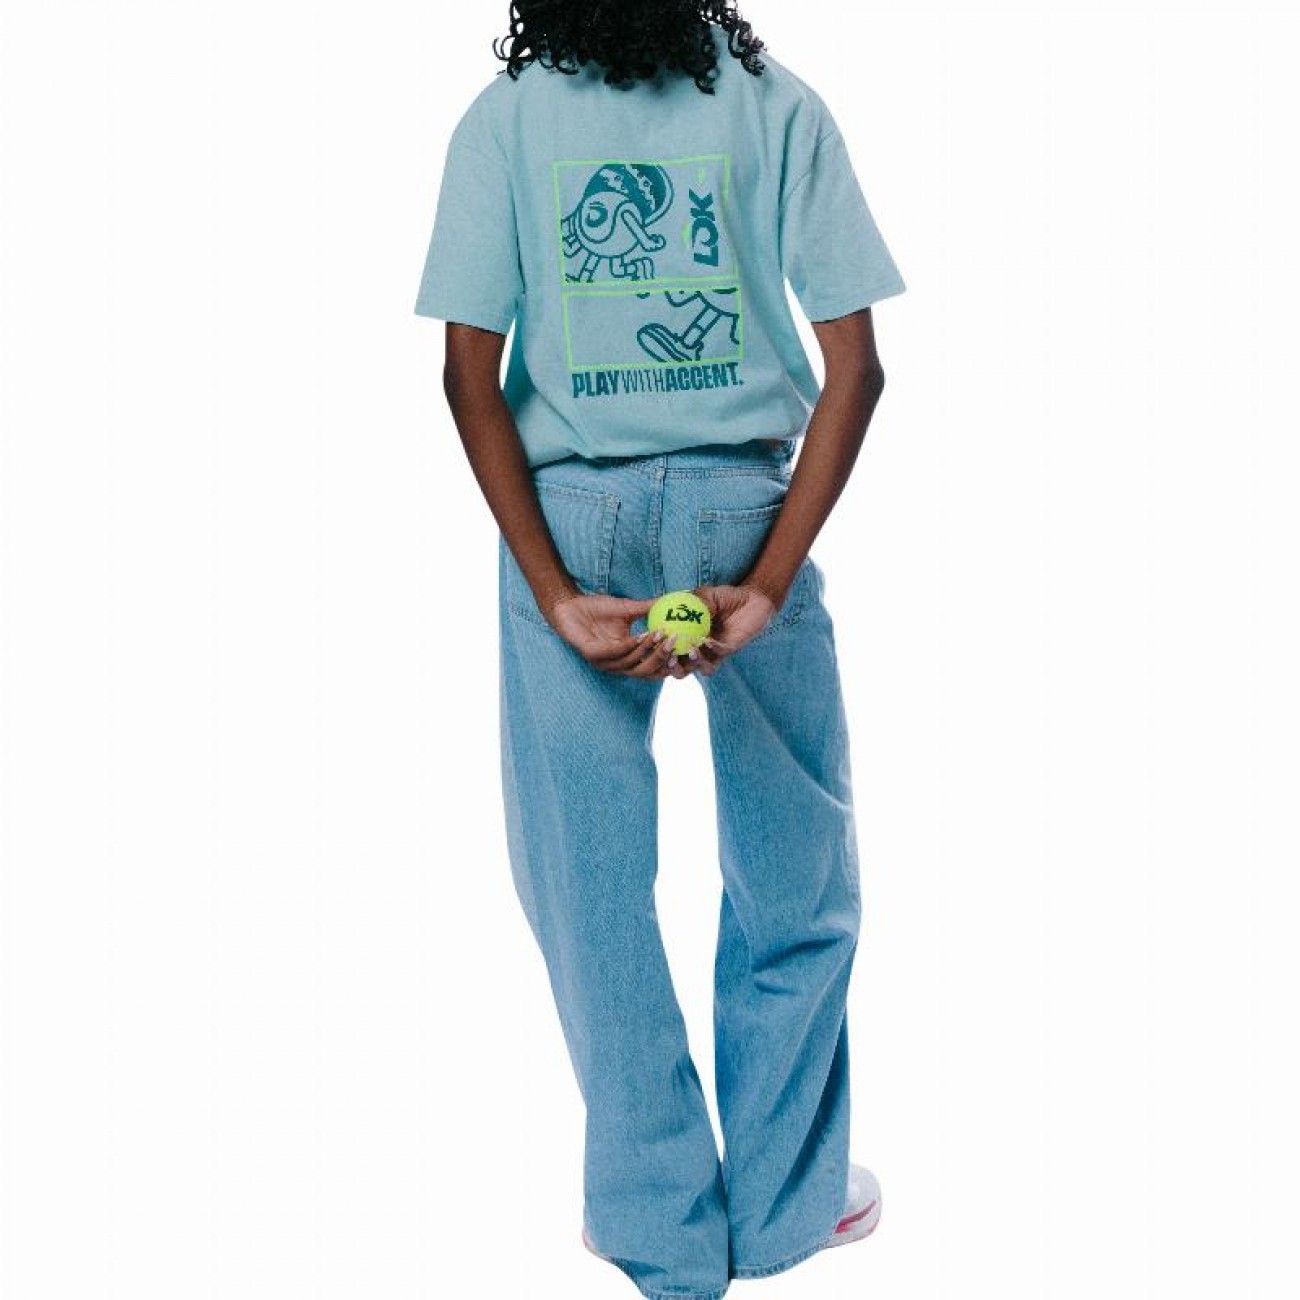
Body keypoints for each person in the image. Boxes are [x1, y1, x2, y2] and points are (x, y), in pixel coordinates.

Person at [413, 4, 905, 1297]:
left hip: (571, 516)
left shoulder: (505, 121)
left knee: (585, 879)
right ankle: (788, 1202)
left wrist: (553, 590)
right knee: (795, 862)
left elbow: (469, 375)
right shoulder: (776, 103)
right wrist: (770, 580)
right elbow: (855, 370)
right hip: (744, 509)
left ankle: (658, 1216)